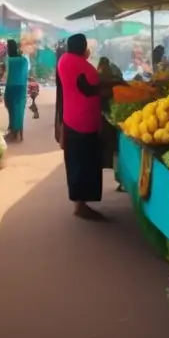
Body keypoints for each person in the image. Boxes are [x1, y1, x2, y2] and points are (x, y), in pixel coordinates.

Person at [57, 34, 106, 220]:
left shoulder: (64, 60)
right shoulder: (81, 65)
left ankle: (79, 203)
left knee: (75, 163)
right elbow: (89, 89)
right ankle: (80, 205)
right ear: (84, 48)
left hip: (71, 119)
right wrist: (110, 86)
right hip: (84, 123)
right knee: (84, 164)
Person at [3, 39, 29, 142]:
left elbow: (5, 73)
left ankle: (13, 131)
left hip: (11, 87)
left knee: (11, 109)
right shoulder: (24, 60)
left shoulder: (8, 60)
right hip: (22, 87)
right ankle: (19, 133)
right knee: (19, 110)